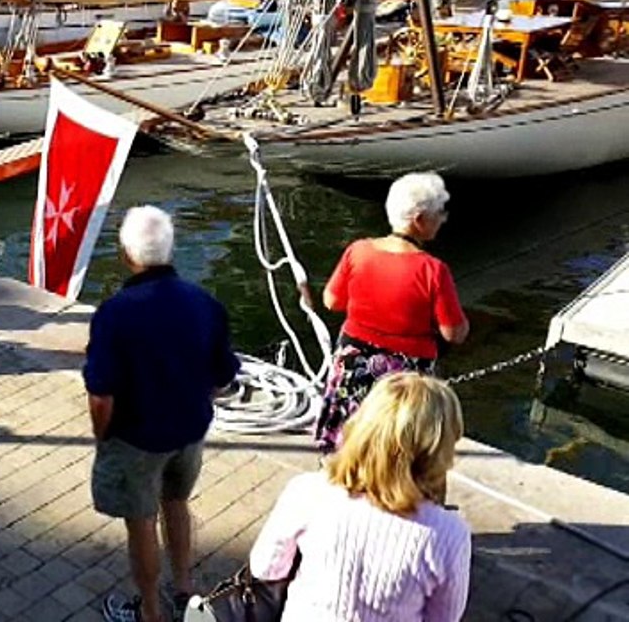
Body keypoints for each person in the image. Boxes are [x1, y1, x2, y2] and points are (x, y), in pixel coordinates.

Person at [86, 206, 241, 622]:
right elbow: (223, 376)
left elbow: (101, 394)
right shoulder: (204, 304)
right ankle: (186, 588)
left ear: (126, 254)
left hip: (137, 438)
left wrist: (102, 435)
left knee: (142, 522)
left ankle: (150, 612)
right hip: (189, 431)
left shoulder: (115, 314)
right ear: (171, 250)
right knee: (177, 502)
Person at [249, 373, 471, 621]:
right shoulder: (449, 533)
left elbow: (265, 568)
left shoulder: (307, 491)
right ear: (437, 452)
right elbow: (444, 617)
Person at [315, 172, 469, 452]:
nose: (442, 220)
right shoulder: (433, 270)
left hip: (352, 364)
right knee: (394, 447)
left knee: (347, 441)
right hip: (405, 375)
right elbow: (453, 333)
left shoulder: (358, 251)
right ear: (419, 220)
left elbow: (331, 301)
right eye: (439, 214)